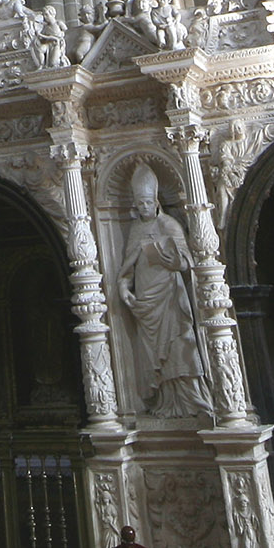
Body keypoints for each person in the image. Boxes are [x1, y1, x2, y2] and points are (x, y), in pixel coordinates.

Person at [117, 172, 213, 419]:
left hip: (169, 296)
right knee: (152, 355)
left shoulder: (169, 225)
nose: (144, 207)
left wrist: (174, 260)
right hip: (146, 300)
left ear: (156, 202)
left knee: (180, 345)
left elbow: (187, 262)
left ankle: (193, 401)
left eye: (148, 203)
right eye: (140, 204)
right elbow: (127, 267)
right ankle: (164, 401)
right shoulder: (137, 229)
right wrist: (124, 288)